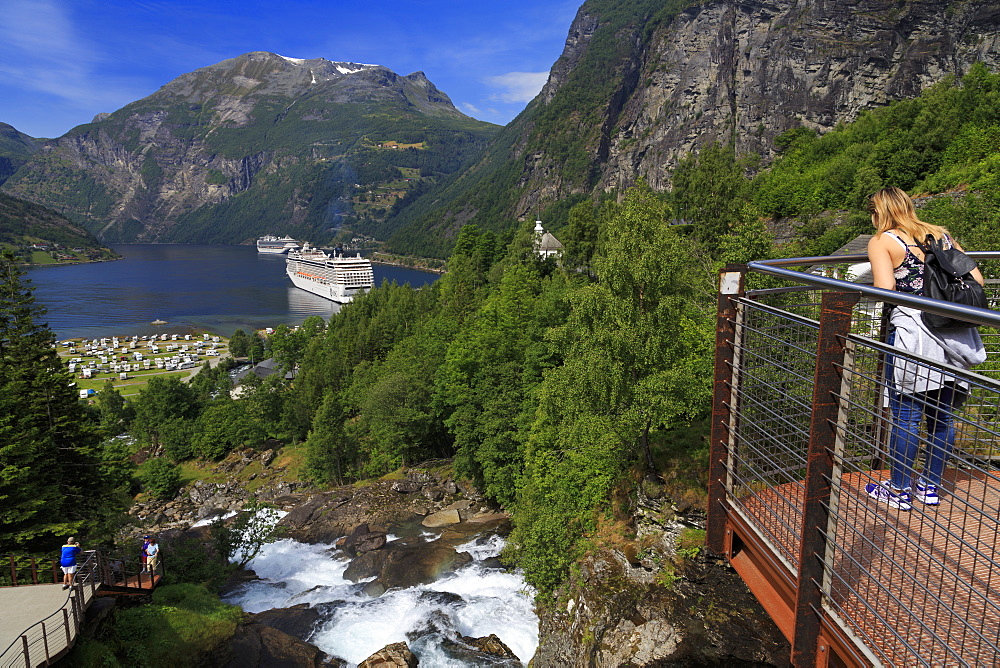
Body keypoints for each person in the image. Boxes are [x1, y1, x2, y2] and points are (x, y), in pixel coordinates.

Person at [865, 186, 986, 510]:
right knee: (942, 416)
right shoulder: (940, 236)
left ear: (879, 212)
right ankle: (930, 486)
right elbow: (977, 279)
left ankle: (899, 489)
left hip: (913, 334)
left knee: (906, 415)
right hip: (950, 332)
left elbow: (887, 290)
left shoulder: (883, 241)